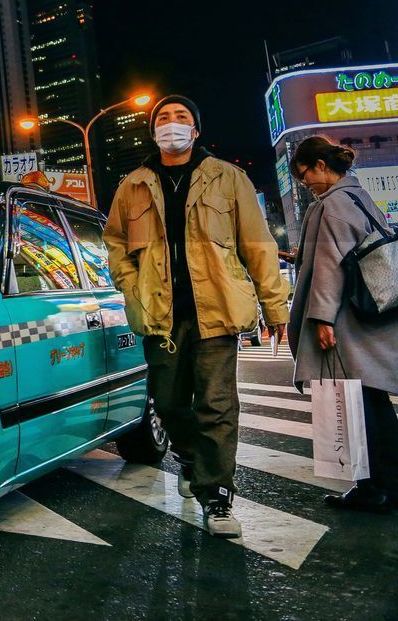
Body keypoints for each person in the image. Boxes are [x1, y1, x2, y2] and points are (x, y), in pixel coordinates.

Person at [105, 95, 289, 538]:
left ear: (196, 130)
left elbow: (258, 246)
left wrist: (275, 305)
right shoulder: (133, 184)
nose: (172, 125)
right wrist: (131, 285)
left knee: (216, 404)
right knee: (167, 403)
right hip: (159, 315)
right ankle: (189, 460)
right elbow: (114, 242)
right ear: (153, 132)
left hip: (217, 312)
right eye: (163, 119)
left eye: (181, 118)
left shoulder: (229, 178)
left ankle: (217, 496)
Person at [287, 135, 398, 513]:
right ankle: (387, 484)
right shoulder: (358, 195)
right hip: (368, 315)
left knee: (354, 406)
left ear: (320, 165)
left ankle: (372, 488)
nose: (305, 184)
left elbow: (329, 267)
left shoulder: (330, 205)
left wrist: (321, 319)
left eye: (304, 175)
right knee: (373, 401)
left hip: (344, 321)